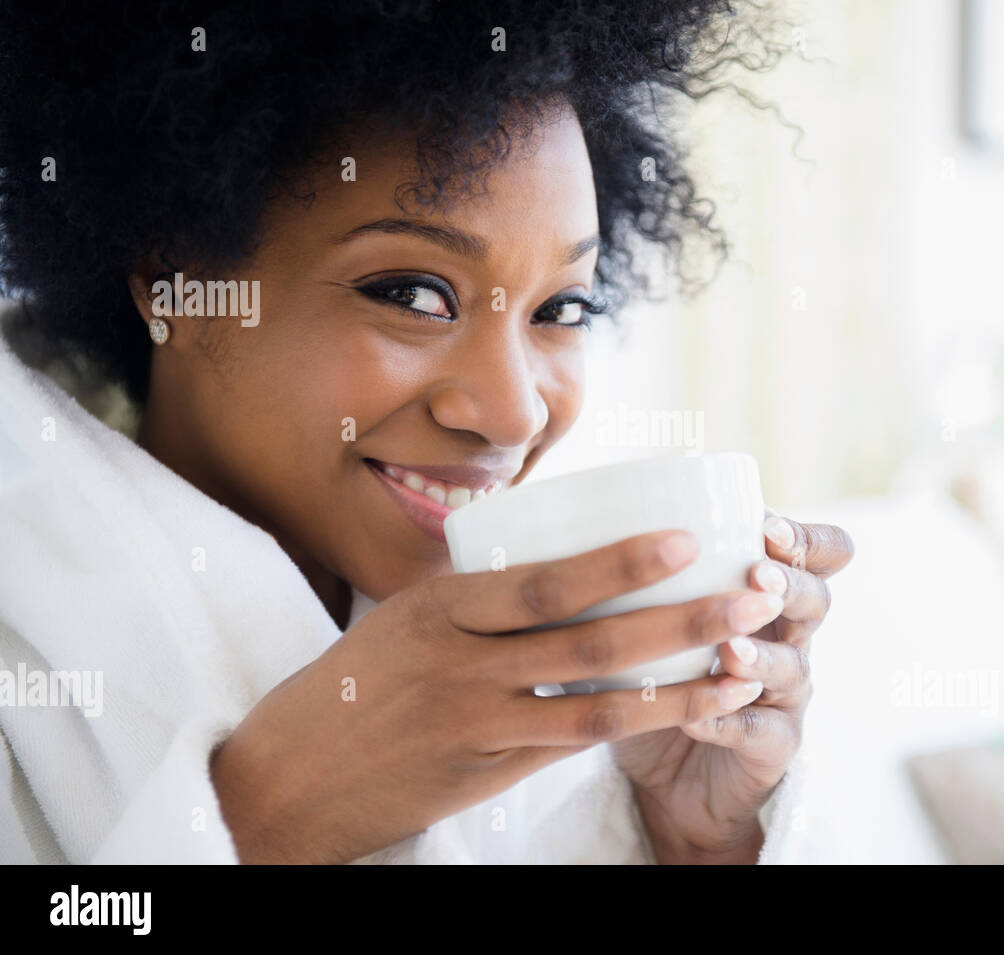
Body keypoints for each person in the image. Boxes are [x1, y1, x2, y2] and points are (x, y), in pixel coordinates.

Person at [0, 0, 853, 864]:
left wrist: (686, 836)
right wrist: (266, 819)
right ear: (175, 282)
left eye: (562, 308)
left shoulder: (559, 684)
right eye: (412, 293)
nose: (516, 412)